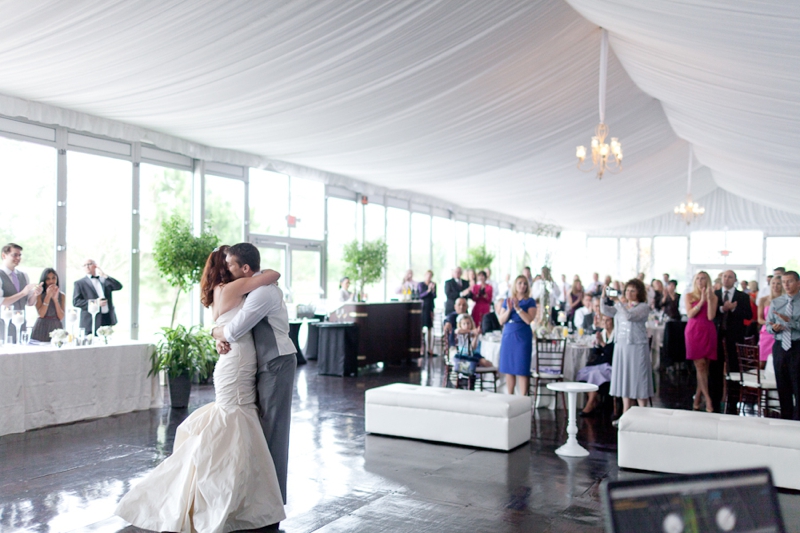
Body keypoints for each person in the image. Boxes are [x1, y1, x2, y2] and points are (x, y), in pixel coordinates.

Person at [115, 247, 285, 532]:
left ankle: (234, 489)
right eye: (229, 264)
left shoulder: (219, 290)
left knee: (233, 415)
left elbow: (222, 323)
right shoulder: (235, 286)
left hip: (229, 358)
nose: (232, 268)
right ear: (225, 268)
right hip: (238, 357)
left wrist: (216, 334)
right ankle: (229, 493)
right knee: (235, 416)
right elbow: (273, 274)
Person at [211, 243, 297, 509]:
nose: (227, 269)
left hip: (276, 362)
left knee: (274, 430)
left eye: (231, 265)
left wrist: (215, 334)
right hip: (263, 362)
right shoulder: (251, 288)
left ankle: (273, 499)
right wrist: (216, 335)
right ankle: (260, 493)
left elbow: (235, 331)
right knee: (262, 429)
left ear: (245, 268)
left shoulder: (262, 294)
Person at [602, 279, 653, 418]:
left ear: (639, 293)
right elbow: (606, 311)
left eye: (633, 291)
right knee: (625, 377)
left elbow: (629, 316)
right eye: (627, 290)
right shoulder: (622, 306)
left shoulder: (643, 307)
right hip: (622, 346)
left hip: (637, 346)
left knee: (638, 377)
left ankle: (643, 414)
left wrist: (618, 302)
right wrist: (603, 298)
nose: (629, 293)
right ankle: (625, 413)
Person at [710, 269, 752, 413]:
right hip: (716, 336)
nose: (727, 279)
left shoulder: (742, 296)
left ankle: (733, 401)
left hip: (734, 336)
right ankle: (715, 401)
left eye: (730, 277)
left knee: (734, 368)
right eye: (724, 276)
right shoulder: (714, 295)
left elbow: (748, 314)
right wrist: (722, 309)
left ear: (735, 280)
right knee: (715, 369)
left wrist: (734, 309)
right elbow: (710, 313)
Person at [767, 271, 800, 420]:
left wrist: (790, 322)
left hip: (797, 346)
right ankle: (785, 420)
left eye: (790, 281)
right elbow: (768, 326)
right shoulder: (776, 302)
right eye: (784, 282)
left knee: (797, 385)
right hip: (780, 346)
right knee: (782, 385)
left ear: (798, 283)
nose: (786, 285)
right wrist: (774, 328)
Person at [684, 271, 718, 413]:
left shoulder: (714, 297)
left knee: (705, 368)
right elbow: (690, 314)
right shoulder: (689, 296)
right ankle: (708, 399)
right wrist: (701, 301)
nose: (700, 281)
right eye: (697, 278)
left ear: (707, 281)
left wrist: (708, 299)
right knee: (700, 366)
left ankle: (697, 398)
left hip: (708, 330)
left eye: (703, 278)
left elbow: (711, 316)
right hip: (694, 331)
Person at [498, 276, 537, 395]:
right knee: (509, 369)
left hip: (522, 335)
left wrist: (518, 308)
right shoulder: (507, 300)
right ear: (515, 285)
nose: (522, 285)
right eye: (520, 283)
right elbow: (501, 320)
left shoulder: (530, 301)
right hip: (508, 334)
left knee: (522, 368)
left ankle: (523, 398)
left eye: (525, 283)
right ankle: (510, 396)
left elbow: (528, 320)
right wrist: (509, 309)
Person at [0, 243, 41, 343]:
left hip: (21, 325)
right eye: (14, 255)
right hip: (3, 326)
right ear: (4, 256)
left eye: (20, 255)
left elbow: (29, 303)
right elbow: (2, 302)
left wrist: (35, 294)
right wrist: (23, 293)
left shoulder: (23, 275)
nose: (18, 258)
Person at [577, 315, 615, 417]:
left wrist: (602, 343)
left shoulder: (616, 335)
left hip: (611, 365)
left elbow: (613, 354)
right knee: (585, 371)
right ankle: (593, 401)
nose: (606, 323)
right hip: (601, 363)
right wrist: (597, 344)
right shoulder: (602, 333)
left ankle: (590, 404)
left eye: (608, 320)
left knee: (595, 374)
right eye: (604, 321)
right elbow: (596, 353)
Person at [73, 259, 123, 335]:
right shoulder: (79, 283)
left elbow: (118, 286)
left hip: (107, 318)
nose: (87, 266)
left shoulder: (104, 280)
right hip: (90, 320)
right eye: (84, 265)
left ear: (95, 265)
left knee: (107, 343)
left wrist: (105, 276)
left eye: (89, 264)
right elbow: (76, 302)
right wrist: (95, 303)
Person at [31, 268, 66, 343]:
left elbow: (61, 316)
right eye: (48, 279)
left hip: (56, 326)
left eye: (53, 278)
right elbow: (41, 314)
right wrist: (48, 296)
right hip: (42, 326)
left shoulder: (62, 295)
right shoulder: (39, 294)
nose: (51, 281)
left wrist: (55, 299)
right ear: (44, 280)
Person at [758, 275, 783, 368]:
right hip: (766, 333)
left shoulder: (786, 300)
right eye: (773, 283)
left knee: (779, 362)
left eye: (778, 284)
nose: (775, 286)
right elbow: (759, 319)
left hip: (781, 333)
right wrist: (770, 324)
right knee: (762, 362)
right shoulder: (763, 300)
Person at [417, 270, 437, 356]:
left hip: (430, 308)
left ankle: (429, 349)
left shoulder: (433, 284)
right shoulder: (421, 284)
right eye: (428, 275)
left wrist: (432, 290)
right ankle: (421, 348)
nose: (429, 277)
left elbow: (435, 296)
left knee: (430, 328)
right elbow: (420, 295)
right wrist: (428, 290)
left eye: (431, 275)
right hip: (423, 308)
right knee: (421, 328)